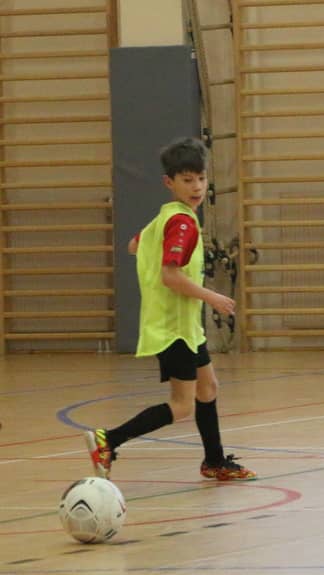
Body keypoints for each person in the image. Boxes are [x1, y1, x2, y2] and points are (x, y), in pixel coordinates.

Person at [83, 137, 256, 482]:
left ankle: (214, 461)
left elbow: (133, 246)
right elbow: (170, 276)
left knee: (208, 388)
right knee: (182, 404)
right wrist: (212, 297)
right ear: (169, 182)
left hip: (186, 327)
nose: (197, 187)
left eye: (201, 179)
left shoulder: (167, 217)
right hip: (174, 327)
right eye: (187, 180)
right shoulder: (183, 223)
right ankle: (109, 440)